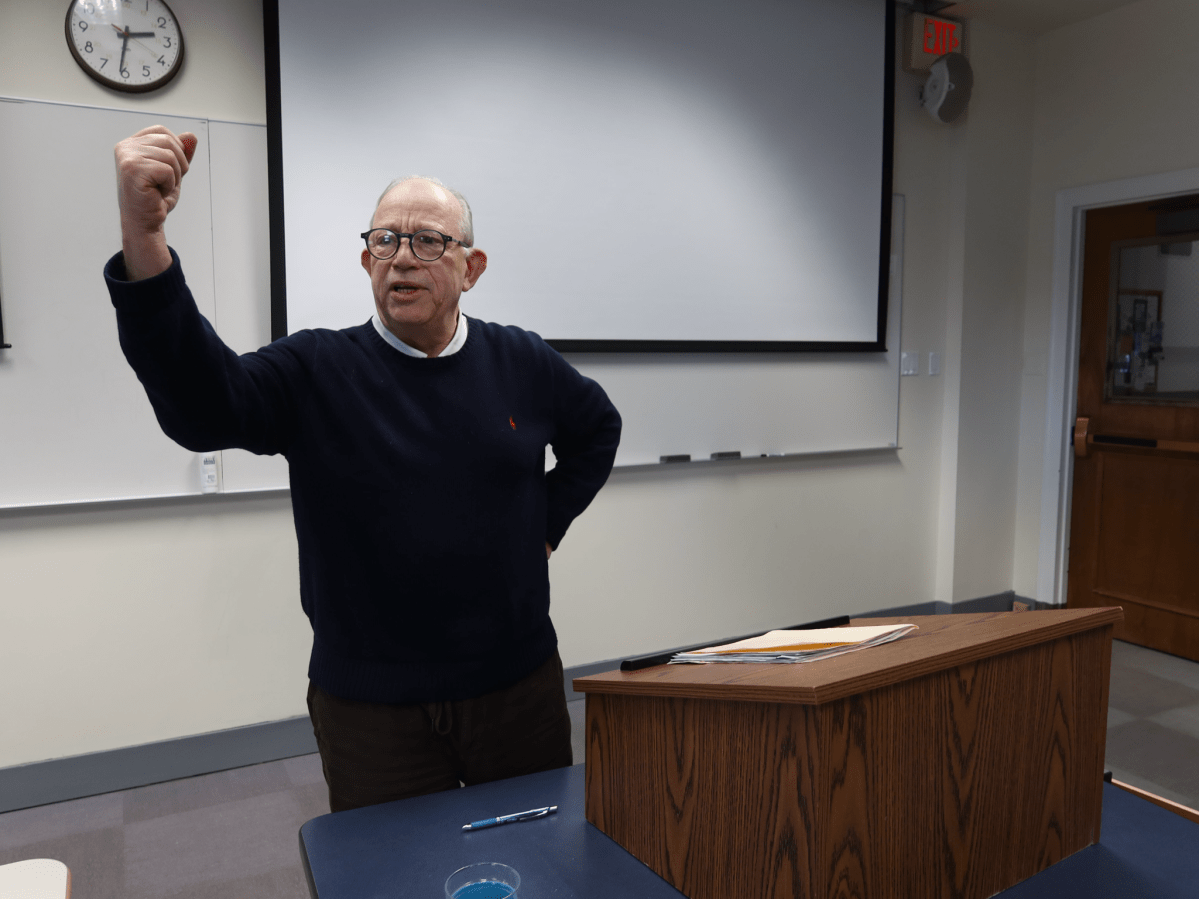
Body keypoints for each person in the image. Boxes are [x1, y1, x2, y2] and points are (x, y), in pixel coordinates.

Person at [106, 125, 621, 811]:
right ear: (365, 259)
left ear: (471, 268)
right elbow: (204, 408)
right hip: (371, 708)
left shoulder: (521, 361)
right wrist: (145, 239)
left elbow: (597, 429)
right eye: (385, 240)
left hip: (514, 686)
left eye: (428, 241)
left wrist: (546, 524)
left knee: (539, 860)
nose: (402, 259)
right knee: (390, 878)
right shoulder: (316, 368)